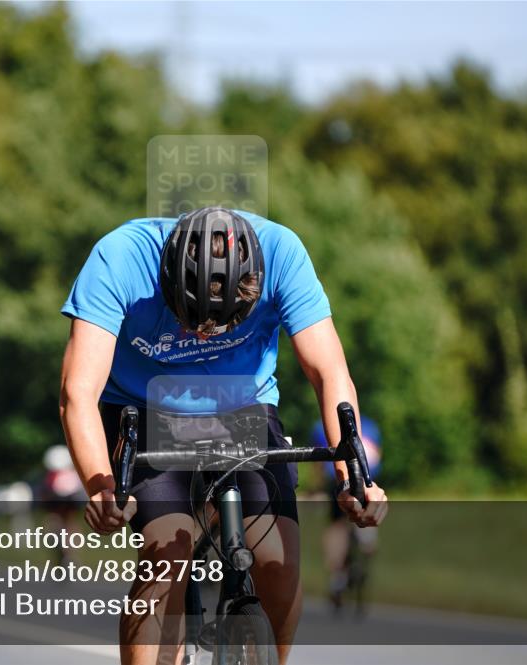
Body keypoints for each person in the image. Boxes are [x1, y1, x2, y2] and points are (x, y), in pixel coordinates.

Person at [59, 207, 388, 665]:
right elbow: (77, 392)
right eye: (189, 317)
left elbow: (329, 373)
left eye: (222, 322)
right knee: (166, 554)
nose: (202, 335)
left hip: (243, 406)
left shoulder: (282, 253)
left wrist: (352, 476)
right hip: (145, 407)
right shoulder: (120, 258)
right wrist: (100, 485)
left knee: (278, 561)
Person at [312, 417, 382, 614]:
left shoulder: (321, 425)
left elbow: (318, 465)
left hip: (337, 481)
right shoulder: (372, 426)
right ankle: (367, 544)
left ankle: (337, 578)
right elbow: (377, 457)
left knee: (337, 526)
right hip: (367, 481)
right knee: (366, 517)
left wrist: (316, 488)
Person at [39, 444, 87, 565]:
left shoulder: (52, 477)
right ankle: (69, 553)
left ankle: (67, 553)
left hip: (63, 501)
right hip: (66, 500)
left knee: (58, 521)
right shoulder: (71, 474)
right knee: (66, 522)